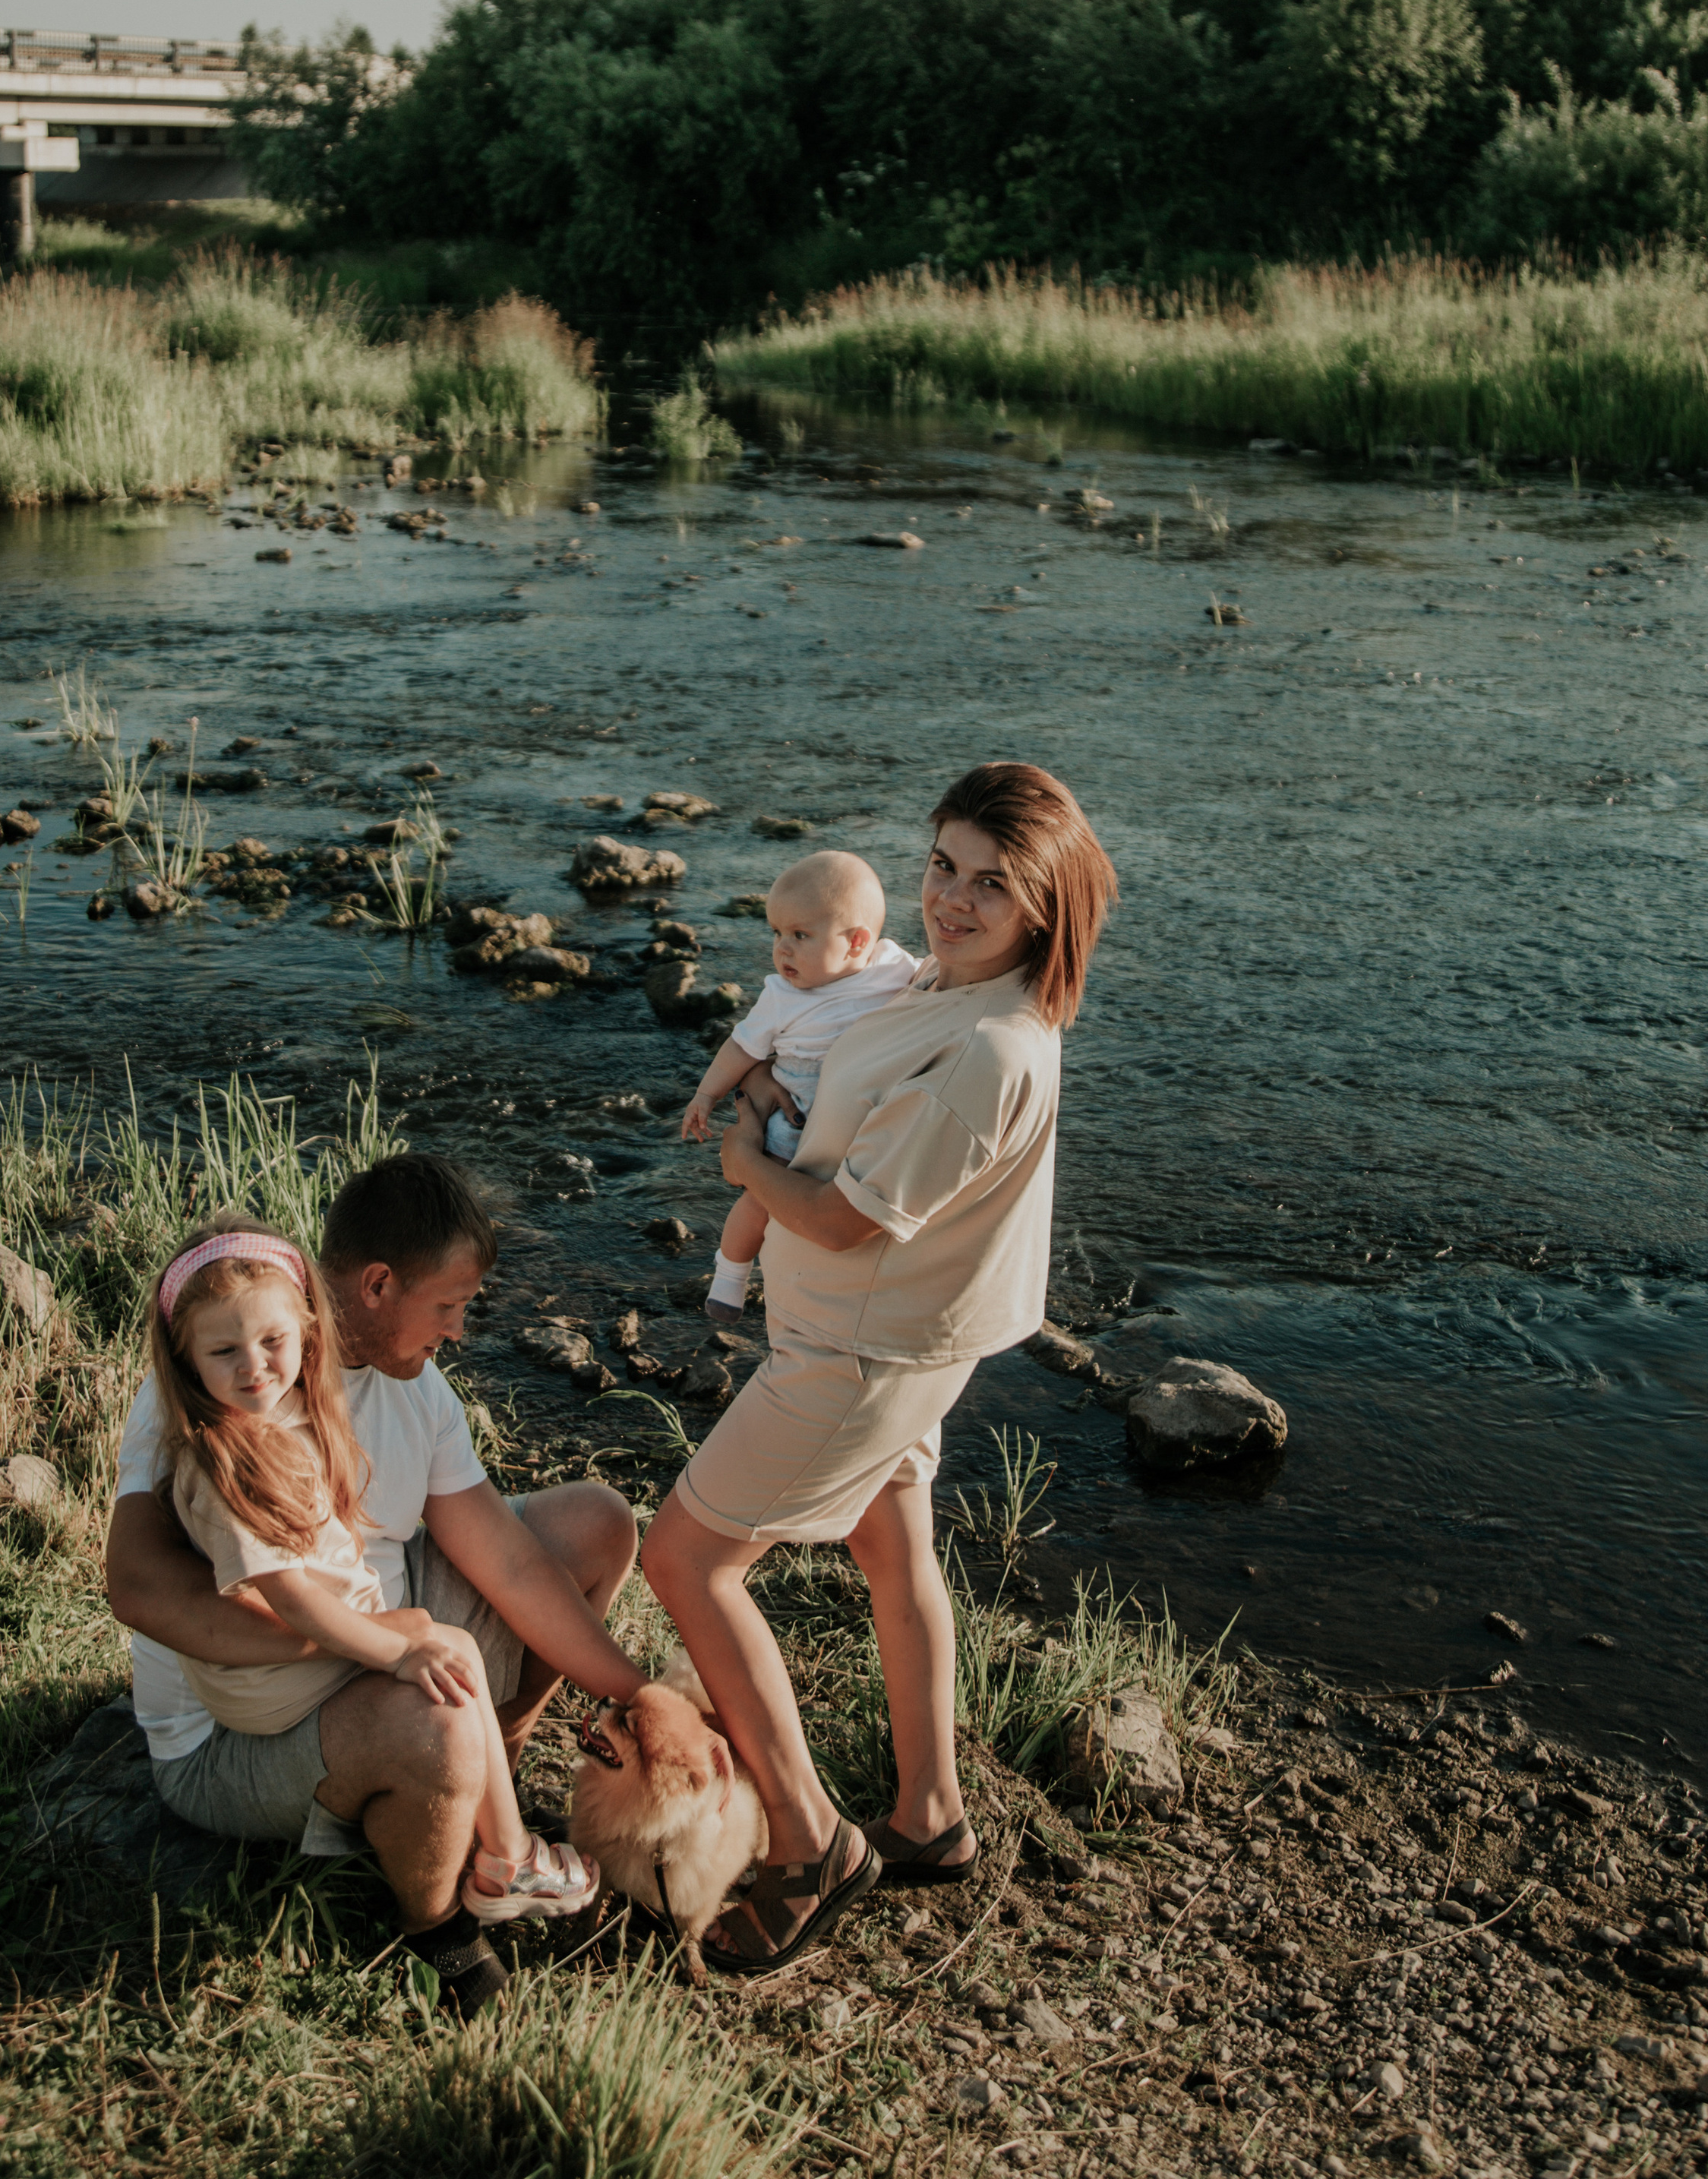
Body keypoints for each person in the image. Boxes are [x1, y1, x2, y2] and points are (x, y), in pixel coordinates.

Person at [642, 762, 1118, 1977]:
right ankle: (930, 1817)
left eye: (992, 886)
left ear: (1046, 910)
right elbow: (817, 1033)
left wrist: (747, 1161)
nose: (952, 901)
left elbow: (851, 1221)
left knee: (686, 1557)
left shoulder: (993, 1049)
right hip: (888, 1339)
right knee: (890, 1547)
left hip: (861, 1349)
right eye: (943, 866)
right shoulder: (934, 982)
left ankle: (812, 1844)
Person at [106, 1153, 646, 2015]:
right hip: (239, 1723)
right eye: (448, 1307)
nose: (459, 1333)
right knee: (433, 1699)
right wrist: (376, 1642)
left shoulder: (405, 1391)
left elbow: (506, 1561)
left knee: (594, 1525)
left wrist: (641, 1695)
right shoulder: (220, 1395)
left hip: (365, 1631)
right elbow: (136, 1589)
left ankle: (479, 1777)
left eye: (279, 1342)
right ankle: (437, 1927)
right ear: (379, 1284)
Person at [147, 1220, 597, 1929]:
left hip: (319, 1653)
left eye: (272, 1343)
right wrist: (392, 1643)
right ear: (188, 1361)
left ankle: (493, 1821)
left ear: (305, 1329)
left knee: (453, 1641)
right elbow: (289, 1595)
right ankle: (492, 1872)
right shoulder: (221, 1460)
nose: (253, 1367)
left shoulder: (293, 1417)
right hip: (268, 1694)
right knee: (446, 1657)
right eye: (224, 1351)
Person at [679, 851, 917, 1323]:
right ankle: (730, 1277)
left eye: (800, 935)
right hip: (797, 1108)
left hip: (860, 1112)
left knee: (842, 1197)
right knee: (762, 1199)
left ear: (858, 943)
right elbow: (741, 1048)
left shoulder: (895, 967)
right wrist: (706, 1094)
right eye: (777, 933)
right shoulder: (782, 996)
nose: (782, 949)